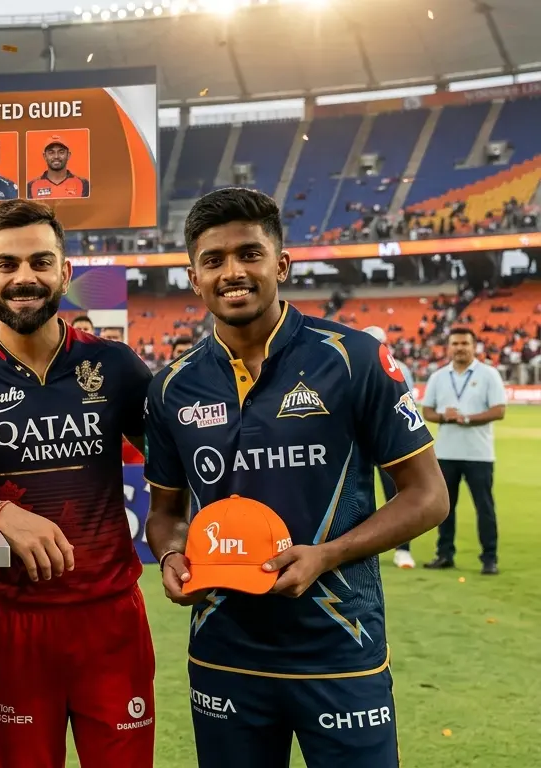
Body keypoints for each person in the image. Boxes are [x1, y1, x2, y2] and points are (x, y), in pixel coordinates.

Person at [142, 188, 447, 768]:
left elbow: (428, 497)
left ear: (281, 264)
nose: (232, 272)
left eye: (249, 254)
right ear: (193, 277)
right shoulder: (171, 387)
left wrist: (327, 555)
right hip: (222, 651)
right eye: (213, 260)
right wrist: (170, 558)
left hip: (339, 646)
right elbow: (164, 513)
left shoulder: (355, 358)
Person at [0, 199, 156, 768]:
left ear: (65, 272)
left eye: (40, 262)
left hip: (110, 620)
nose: (24, 277)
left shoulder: (118, 366)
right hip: (10, 619)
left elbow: (177, 466)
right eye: (6, 264)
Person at [418, 326, 506, 575]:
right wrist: (445, 417)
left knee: (484, 508)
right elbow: (427, 411)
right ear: (448, 347)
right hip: (446, 453)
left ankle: (489, 558)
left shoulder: (488, 374)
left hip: (479, 454)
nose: (459, 348)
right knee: (445, 507)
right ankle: (444, 554)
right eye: (455, 344)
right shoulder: (438, 376)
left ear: (474, 346)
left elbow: (499, 410)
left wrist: (466, 418)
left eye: (464, 344)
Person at [361, 326, 417, 568]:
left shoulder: (400, 369)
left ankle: (402, 549)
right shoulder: (349, 366)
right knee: (352, 496)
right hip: (357, 441)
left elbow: (407, 403)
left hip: (386, 440)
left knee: (397, 495)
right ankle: (356, 548)